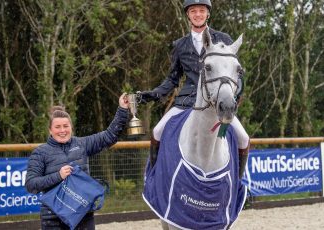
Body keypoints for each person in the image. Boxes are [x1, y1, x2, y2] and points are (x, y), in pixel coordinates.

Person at [138, 0, 249, 178]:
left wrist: (233, 97)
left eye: (201, 10)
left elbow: (236, 75)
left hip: (216, 102)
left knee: (243, 138)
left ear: (208, 14)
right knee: (157, 131)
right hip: (186, 101)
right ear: (188, 15)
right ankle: (153, 177)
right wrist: (149, 96)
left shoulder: (224, 40)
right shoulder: (180, 45)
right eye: (193, 11)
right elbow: (172, 79)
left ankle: (238, 182)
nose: (198, 14)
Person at [25, 93, 129, 230]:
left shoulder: (83, 144)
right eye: (57, 127)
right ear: (50, 130)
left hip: (83, 216)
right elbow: (31, 185)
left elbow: (109, 136)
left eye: (65, 126)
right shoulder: (40, 153)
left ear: (71, 127)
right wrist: (58, 176)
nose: (62, 130)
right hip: (53, 218)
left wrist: (122, 109)